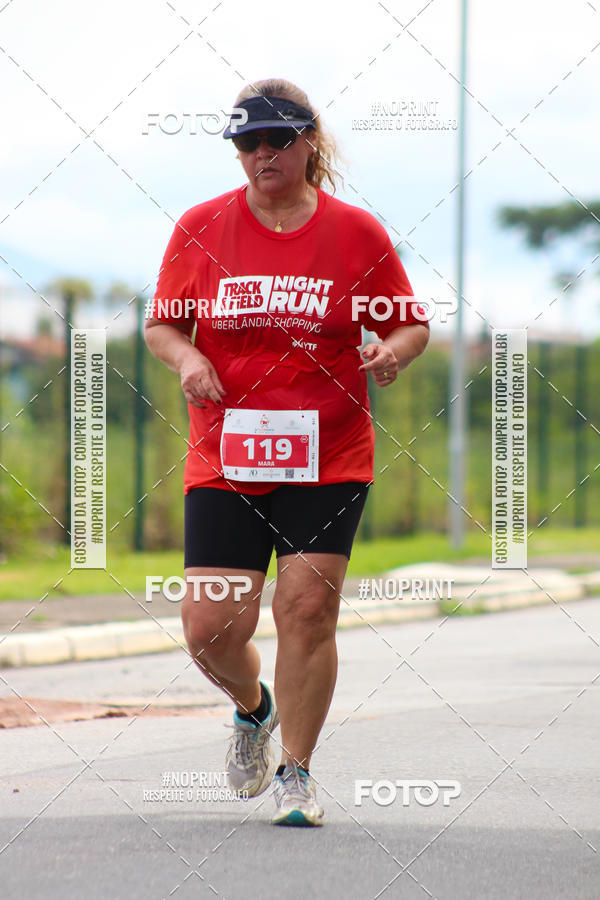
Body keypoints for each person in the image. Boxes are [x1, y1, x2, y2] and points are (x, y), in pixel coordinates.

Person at [144, 78, 429, 827]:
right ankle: (252, 707)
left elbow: (409, 323)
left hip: (328, 452)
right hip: (227, 453)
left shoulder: (355, 234)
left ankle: (297, 774)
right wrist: (188, 359)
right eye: (248, 142)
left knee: (306, 609)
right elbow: (163, 324)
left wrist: (392, 353)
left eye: (278, 139)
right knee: (210, 630)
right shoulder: (202, 227)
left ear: (309, 143)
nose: (262, 154)